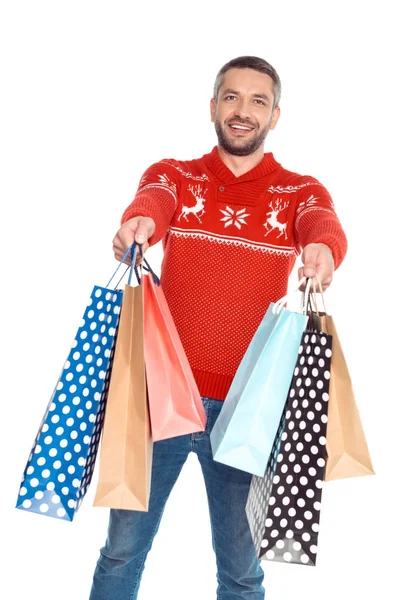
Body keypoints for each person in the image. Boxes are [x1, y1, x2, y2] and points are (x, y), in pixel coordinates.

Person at [89, 55, 347, 600]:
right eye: (231, 97)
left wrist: (323, 248)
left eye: (258, 101)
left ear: (275, 116)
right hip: (159, 401)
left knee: (241, 568)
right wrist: (138, 225)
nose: (243, 111)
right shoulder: (176, 175)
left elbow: (320, 222)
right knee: (121, 553)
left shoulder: (298, 190)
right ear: (213, 107)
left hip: (245, 409)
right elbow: (153, 201)